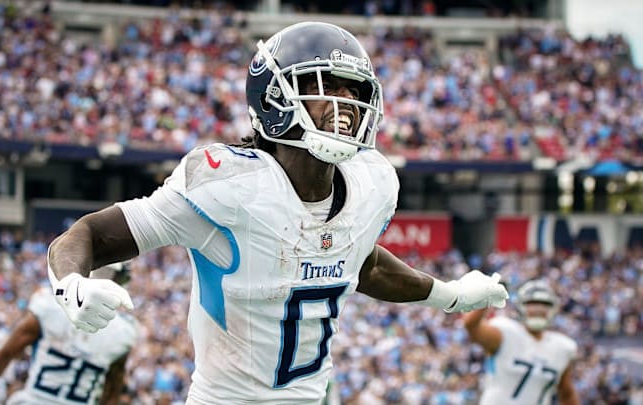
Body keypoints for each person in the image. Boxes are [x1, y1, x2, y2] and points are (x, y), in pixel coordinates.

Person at [46, 21, 509, 404]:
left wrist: (450, 296)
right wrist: (71, 283)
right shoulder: (228, 184)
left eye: (354, 93)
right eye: (324, 90)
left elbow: (360, 264)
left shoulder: (374, 182)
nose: (345, 108)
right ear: (274, 98)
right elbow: (90, 234)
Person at [0, 263, 138, 405]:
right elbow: (112, 389)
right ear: (121, 280)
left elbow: (5, 354)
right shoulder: (123, 332)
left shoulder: (50, 305)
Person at [463, 279, 579, 405]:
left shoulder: (562, 347)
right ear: (520, 306)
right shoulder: (505, 332)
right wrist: (488, 295)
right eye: (532, 303)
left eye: (544, 304)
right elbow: (471, 325)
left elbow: (566, 393)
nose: (538, 309)